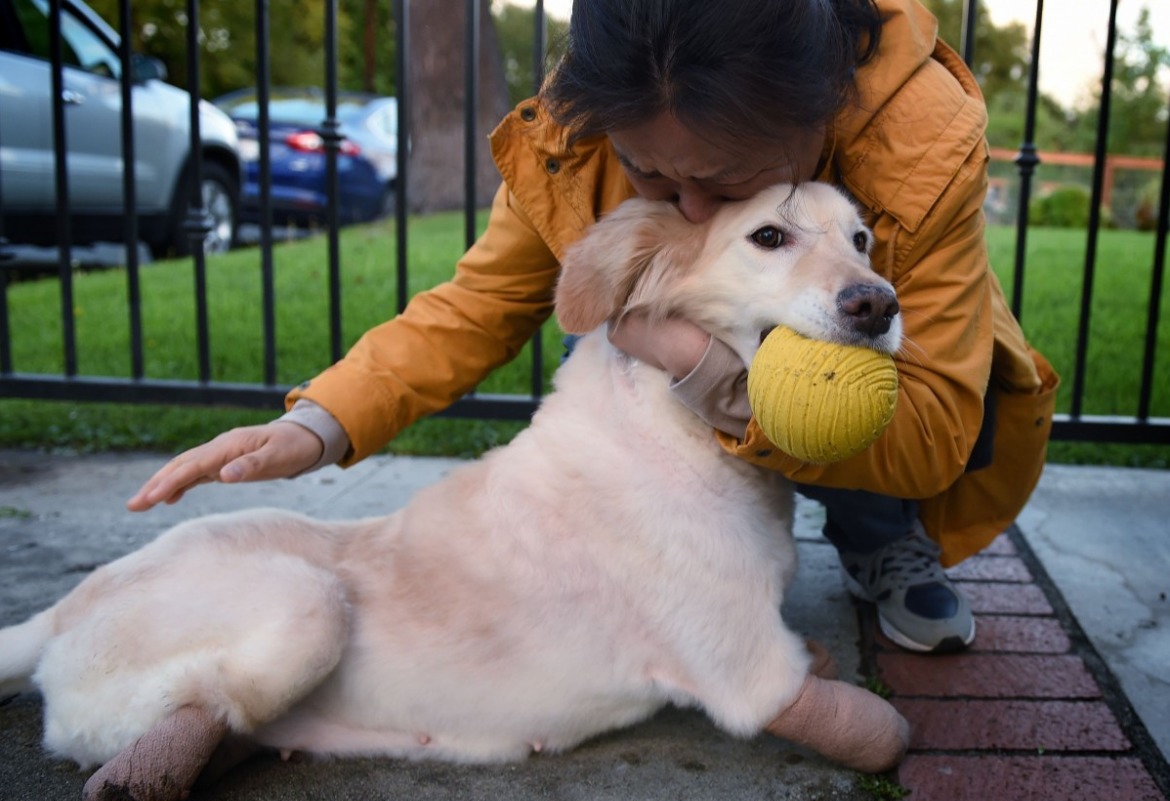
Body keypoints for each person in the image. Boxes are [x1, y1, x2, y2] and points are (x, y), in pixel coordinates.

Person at [127, 0, 1058, 654]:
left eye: (728, 182)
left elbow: (936, 427)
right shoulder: (583, 125)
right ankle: (644, 559)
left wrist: (705, 368)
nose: (690, 207)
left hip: (876, 367)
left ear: (822, 117)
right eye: (652, 174)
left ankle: (876, 533)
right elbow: (477, 305)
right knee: (603, 333)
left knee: (865, 371)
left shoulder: (922, 137)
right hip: (674, 380)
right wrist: (316, 423)